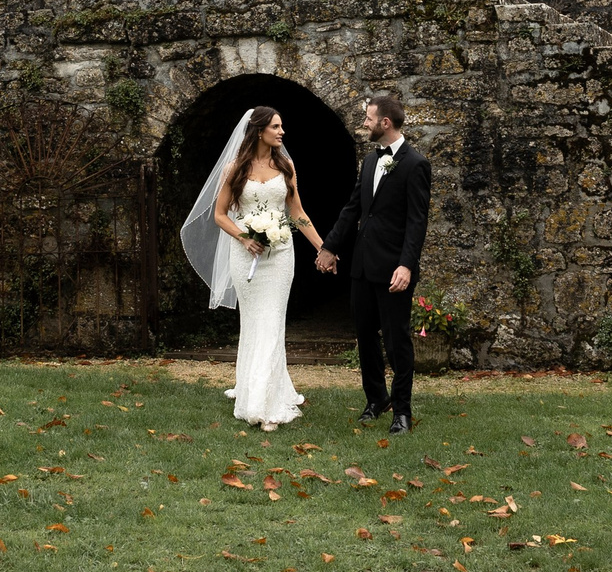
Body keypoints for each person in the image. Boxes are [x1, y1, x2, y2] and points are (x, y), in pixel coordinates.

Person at [178, 106, 326, 431]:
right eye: (276, 126)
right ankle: (254, 390)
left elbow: (297, 212)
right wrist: (245, 238)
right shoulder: (235, 168)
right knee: (255, 323)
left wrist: (322, 247)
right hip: (245, 255)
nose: (282, 132)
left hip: (281, 255)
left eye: (282, 126)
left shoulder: (285, 166)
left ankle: (267, 404)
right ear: (260, 131)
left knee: (272, 322)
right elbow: (219, 215)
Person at [315, 92, 430, 434]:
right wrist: (329, 247)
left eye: (367, 118)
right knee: (365, 337)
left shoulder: (415, 164)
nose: (363, 123)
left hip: (394, 269)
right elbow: (353, 209)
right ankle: (376, 399)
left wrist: (407, 265)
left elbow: (417, 222)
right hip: (362, 266)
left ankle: (402, 412)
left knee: (397, 341)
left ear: (385, 122)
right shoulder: (369, 161)